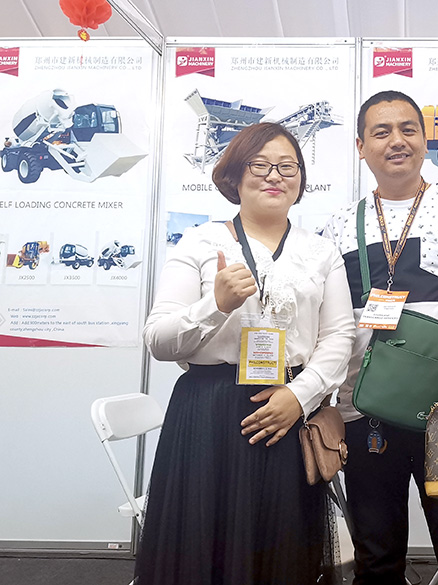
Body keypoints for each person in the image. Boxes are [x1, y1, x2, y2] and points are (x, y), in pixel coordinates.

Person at [135, 122, 356, 585]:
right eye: (260, 165)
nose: (275, 175)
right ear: (235, 175)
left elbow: (339, 337)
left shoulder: (321, 251)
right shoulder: (200, 242)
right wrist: (214, 305)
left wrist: (300, 396)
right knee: (201, 548)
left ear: (300, 180)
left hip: (287, 412)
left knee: (282, 549)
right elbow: (158, 339)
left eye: (288, 166)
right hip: (209, 414)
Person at [322, 90, 438, 585]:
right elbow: (330, 325)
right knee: (376, 554)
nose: (396, 140)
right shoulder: (339, 225)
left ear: (424, 139)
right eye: (381, 132)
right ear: (361, 147)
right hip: (365, 410)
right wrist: (325, 403)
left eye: (408, 129)